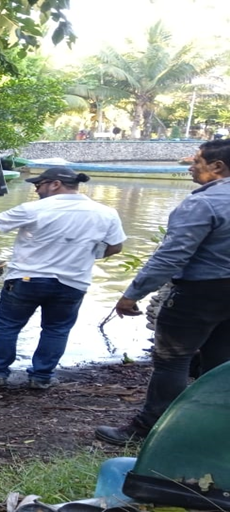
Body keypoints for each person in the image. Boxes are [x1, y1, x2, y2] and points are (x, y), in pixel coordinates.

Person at [95, 139, 230, 445]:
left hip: (200, 293)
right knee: (220, 361)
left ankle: (149, 428)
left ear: (217, 166)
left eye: (196, 161)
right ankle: (214, 429)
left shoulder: (203, 203)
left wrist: (133, 293)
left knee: (172, 360)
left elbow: (171, 256)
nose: (190, 165)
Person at [0, 167, 125, 390]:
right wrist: (87, 255)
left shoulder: (34, 208)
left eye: (39, 185)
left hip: (26, 279)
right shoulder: (106, 212)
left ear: (56, 184)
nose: (36, 190)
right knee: (56, 330)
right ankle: (41, 377)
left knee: (7, 326)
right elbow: (116, 247)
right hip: (73, 282)